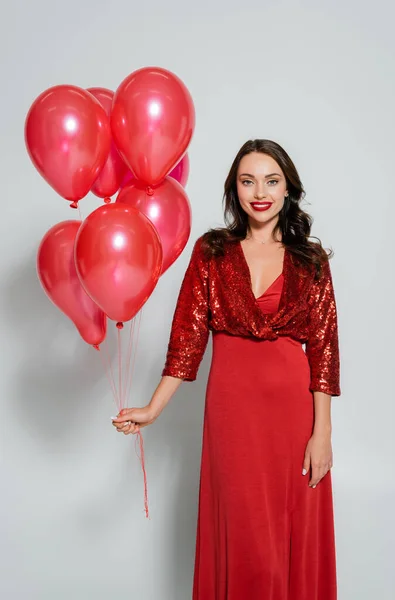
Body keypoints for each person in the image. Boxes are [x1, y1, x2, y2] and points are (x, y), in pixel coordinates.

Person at [112, 139, 341, 600]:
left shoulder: (309, 260)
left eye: (272, 180)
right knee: (244, 530)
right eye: (248, 180)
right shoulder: (212, 252)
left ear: (288, 189)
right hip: (232, 414)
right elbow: (187, 339)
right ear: (234, 189)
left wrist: (322, 434)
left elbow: (324, 351)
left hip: (293, 418)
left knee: (289, 527)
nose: (260, 191)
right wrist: (153, 409)